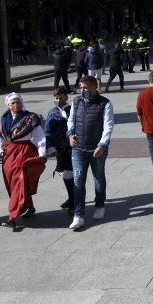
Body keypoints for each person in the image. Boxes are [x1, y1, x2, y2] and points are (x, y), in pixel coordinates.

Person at [67, 76, 114, 230]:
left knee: (98, 177)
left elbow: (108, 126)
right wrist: (70, 134)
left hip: (96, 150)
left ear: (95, 87)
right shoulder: (76, 101)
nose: (83, 90)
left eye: (86, 88)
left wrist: (102, 144)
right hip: (78, 149)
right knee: (78, 180)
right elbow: (71, 120)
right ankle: (78, 215)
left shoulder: (105, 103)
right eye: (81, 87)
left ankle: (100, 205)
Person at [0, 93, 47, 230]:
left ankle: (12, 217)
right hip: (8, 153)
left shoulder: (30, 118)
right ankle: (29, 206)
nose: (16, 105)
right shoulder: (3, 119)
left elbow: (39, 136)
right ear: (8, 105)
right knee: (13, 183)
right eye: (12, 103)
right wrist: (0, 150)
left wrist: (41, 153)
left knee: (20, 182)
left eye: (18, 102)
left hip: (24, 152)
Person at [44, 87, 74, 213]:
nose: (59, 100)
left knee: (73, 172)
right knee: (65, 172)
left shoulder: (73, 110)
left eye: (61, 98)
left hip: (72, 146)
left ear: (66, 97)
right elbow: (47, 130)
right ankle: (71, 196)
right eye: (56, 98)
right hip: (59, 147)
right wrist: (49, 146)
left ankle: (73, 199)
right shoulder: (52, 112)